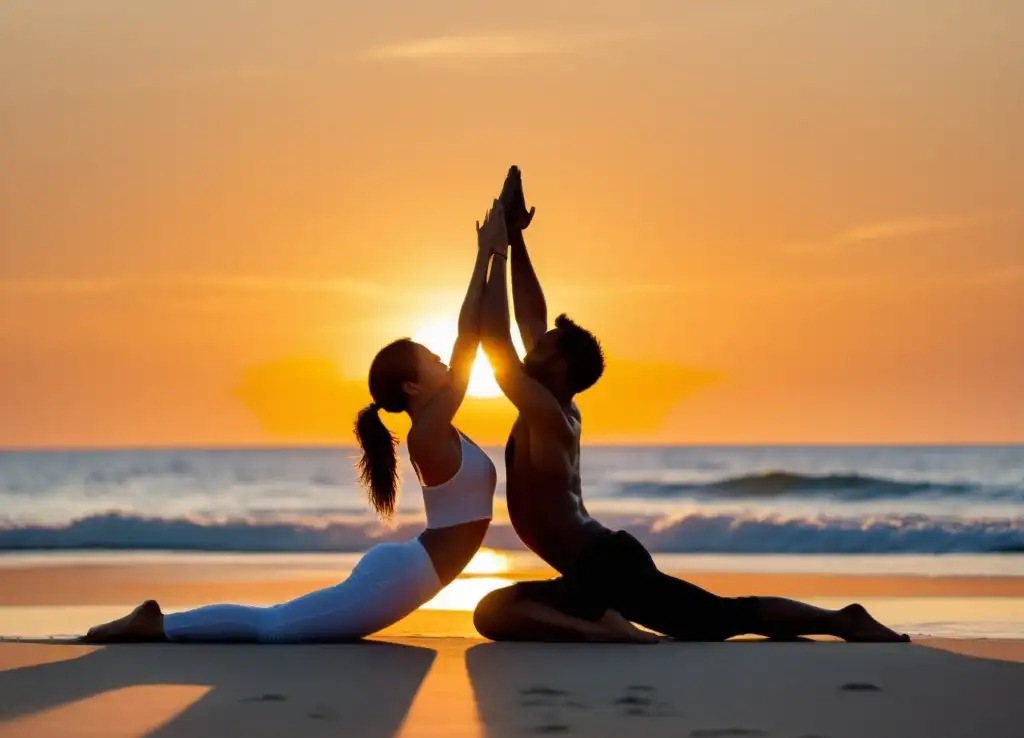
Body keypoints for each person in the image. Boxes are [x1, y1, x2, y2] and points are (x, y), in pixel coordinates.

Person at [472, 166, 909, 643]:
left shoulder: (547, 415)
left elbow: (495, 341)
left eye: (543, 345)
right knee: (718, 618)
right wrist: (514, 238)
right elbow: (530, 316)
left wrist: (492, 250)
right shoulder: (549, 397)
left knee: (494, 614)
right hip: (601, 564)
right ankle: (837, 621)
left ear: (558, 369)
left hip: (604, 567)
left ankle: (611, 628)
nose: (532, 342)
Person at [83, 199, 509, 642]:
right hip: (400, 579)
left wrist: (498, 250)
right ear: (412, 387)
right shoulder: (428, 433)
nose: (442, 359)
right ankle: (158, 625)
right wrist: (489, 253)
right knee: (275, 627)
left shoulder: (439, 428)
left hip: (405, 573)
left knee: (279, 623)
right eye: (430, 358)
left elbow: (471, 338)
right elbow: (468, 340)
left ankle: (160, 624)